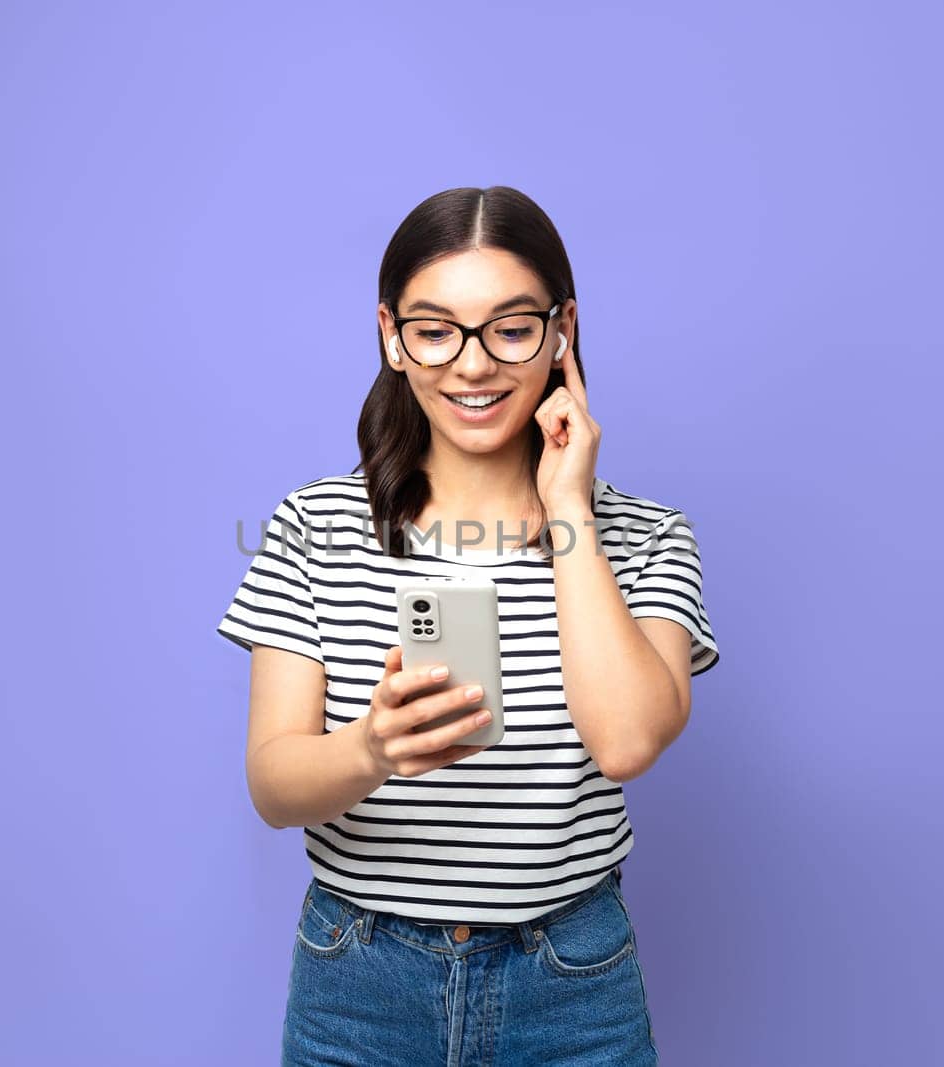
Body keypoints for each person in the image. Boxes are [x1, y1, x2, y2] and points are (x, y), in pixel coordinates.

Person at [216, 185, 720, 1065]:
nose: (473, 364)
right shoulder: (312, 526)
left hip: (570, 982)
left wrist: (570, 513)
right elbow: (272, 784)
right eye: (435, 328)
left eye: (511, 328)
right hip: (360, 981)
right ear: (391, 335)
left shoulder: (645, 536)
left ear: (561, 331)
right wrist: (372, 748)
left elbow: (629, 740)